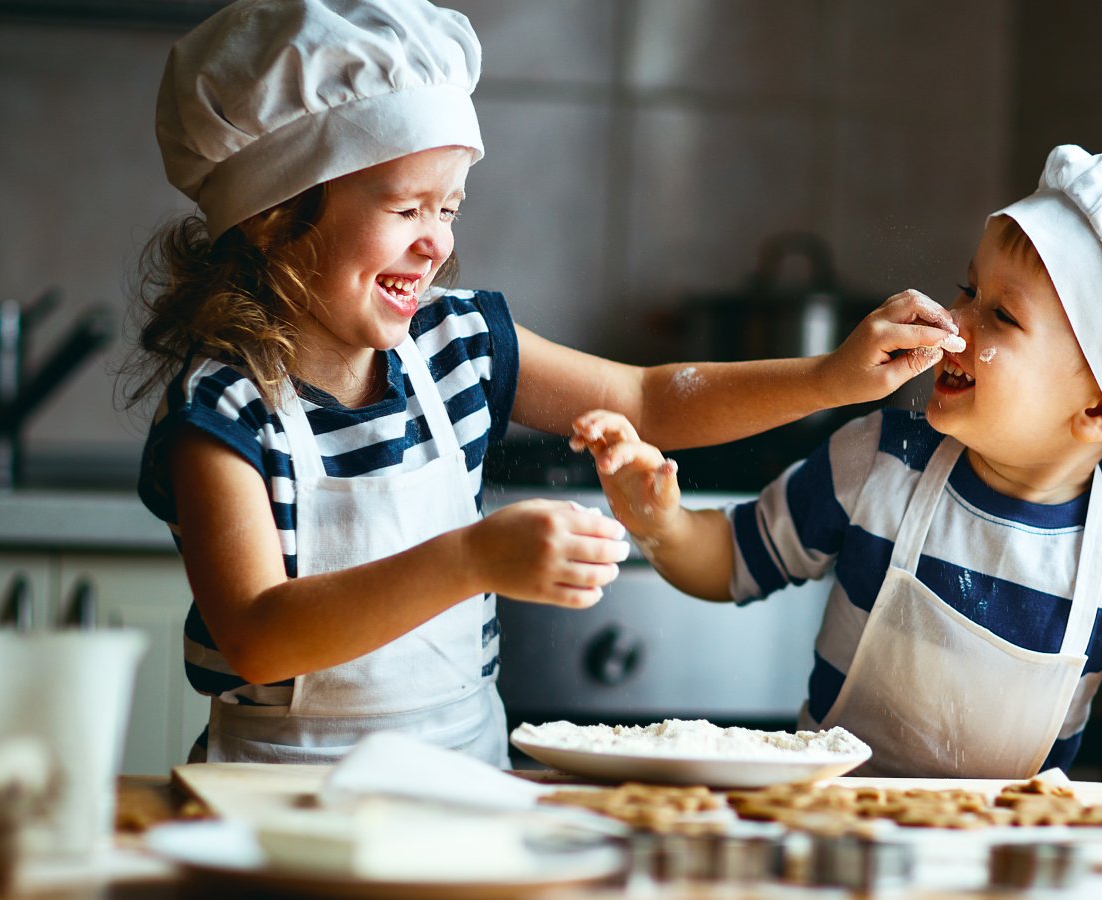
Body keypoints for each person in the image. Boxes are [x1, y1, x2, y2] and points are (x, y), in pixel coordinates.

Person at [126, 0, 965, 767]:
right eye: (406, 207)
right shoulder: (223, 410)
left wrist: (829, 378)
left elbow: (646, 399)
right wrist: (473, 557)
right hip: (277, 799)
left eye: (448, 209)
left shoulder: (458, 343)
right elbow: (258, 636)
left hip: (461, 781)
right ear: (276, 214)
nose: (434, 245)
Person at [574, 144, 1102, 798]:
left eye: (1001, 317)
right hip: (826, 834)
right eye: (966, 289)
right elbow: (731, 561)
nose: (954, 322)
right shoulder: (878, 460)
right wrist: (660, 522)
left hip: (1002, 861)